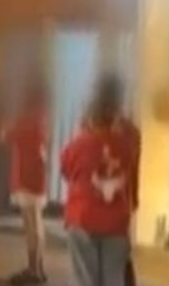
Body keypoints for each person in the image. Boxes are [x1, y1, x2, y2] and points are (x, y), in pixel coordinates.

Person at [60, 73, 141, 286]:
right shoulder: (130, 137)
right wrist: (132, 202)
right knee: (114, 277)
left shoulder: (82, 136)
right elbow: (132, 172)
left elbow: (67, 170)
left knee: (85, 278)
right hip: (116, 219)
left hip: (82, 217)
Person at [4, 79, 50, 285]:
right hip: (37, 177)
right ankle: (39, 267)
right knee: (37, 223)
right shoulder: (42, 119)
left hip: (24, 176)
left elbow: (6, 135)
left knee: (30, 225)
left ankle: (33, 268)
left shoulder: (25, 121)